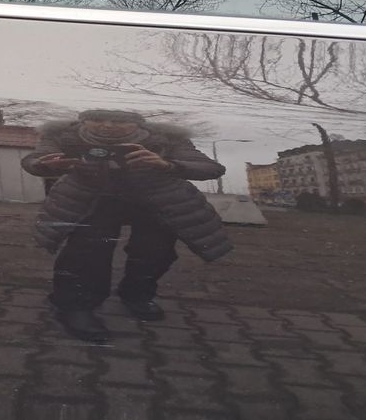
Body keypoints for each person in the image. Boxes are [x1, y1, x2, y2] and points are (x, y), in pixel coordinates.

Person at [21, 109, 231, 342]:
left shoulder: (164, 138)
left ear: (138, 124)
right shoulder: (64, 136)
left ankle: (137, 295)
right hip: (93, 200)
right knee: (85, 254)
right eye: (97, 119)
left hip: (155, 201)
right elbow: (33, 160)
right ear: (83, 121)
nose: (108, 125)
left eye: (119, 121)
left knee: (155, 252)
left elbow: (210, 168)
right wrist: (45, 165)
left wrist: (167, 165)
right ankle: (75, 305)